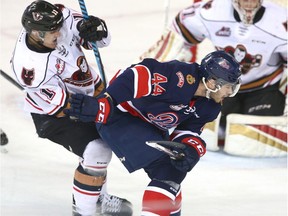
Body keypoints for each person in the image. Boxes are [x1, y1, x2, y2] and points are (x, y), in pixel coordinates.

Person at [64, 50, 242, 215]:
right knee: (169, 172)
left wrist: (190, 148)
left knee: (173, 171)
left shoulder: (210, 105)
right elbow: (137, 74)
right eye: (228, 86)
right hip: (120, 116)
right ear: (212, 82)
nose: (230, 92)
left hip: (149, 126)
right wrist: (105, 103)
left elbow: (189, 130)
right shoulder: (179, 77)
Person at [10, 1, 132, 215]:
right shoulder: (29, 67)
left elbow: (98, 39)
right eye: (54, 32)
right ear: (37, 35)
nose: (61, 32)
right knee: (97, 150)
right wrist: (100, 109)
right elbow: (64, 106)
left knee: (103, 144)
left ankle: (98, 197)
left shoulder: (59, 16)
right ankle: (85, 210)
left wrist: (95, 30)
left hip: (90, 91)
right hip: (53, 114)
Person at [141, 0, 287, 139]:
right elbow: (179, 32)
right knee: (209, 123)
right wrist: (150, 76)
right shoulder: (212, 11)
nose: (249, 3)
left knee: (252, 132)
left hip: (265, 89)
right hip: (220, 88)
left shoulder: (281, 21)